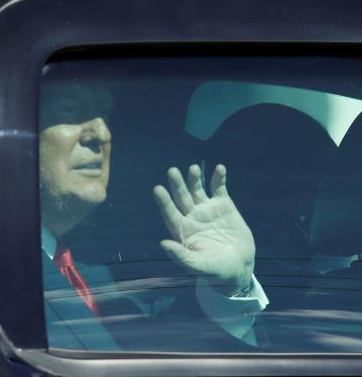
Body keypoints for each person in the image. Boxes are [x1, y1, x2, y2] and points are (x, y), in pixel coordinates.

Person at [39, 78, 268, 351]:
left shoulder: (93, 274)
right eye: (70, 111)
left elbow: (159, 350)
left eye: (105, 114)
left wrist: (229, 288)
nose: (101, 132)